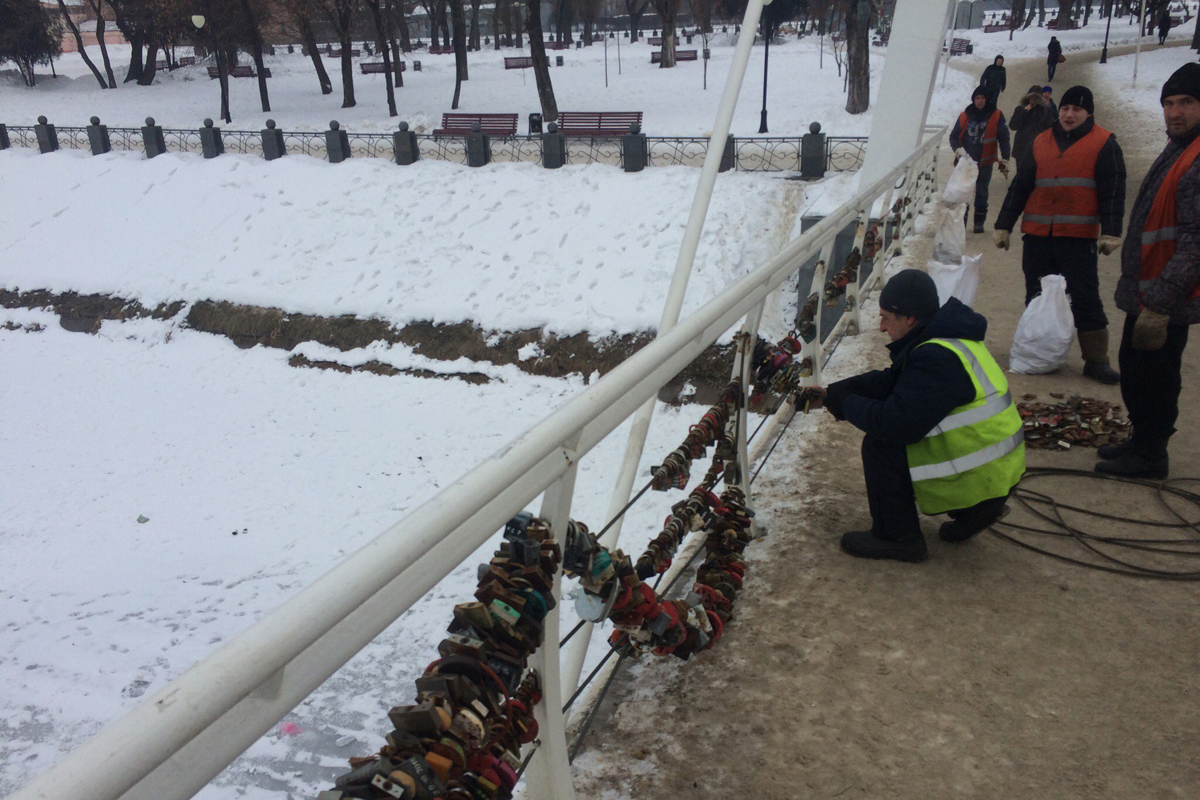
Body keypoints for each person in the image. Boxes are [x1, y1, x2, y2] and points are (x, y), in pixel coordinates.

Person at [808, 270, 1025, 564]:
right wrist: (835, 393)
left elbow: (894, 425)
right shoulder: (947, 339)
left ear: (909, 318)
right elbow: (893, 382)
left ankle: (897, 537)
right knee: (901, 425)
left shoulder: (935, 359)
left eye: (886, 317)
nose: (882, 327)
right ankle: (973, 513)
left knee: (882, 444)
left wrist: (846, 403)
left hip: (981, 475)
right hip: (998, 470)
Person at [1096, 64, 1200, 478]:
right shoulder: (1180, 147)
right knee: (1136, 369)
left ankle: (1151, 455)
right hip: (1150, 290)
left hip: (1164, 296)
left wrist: (1161, 299)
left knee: (1155, 377)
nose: (1174, 112)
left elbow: (1196, 239)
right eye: (1169, 103)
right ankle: (1142, 440)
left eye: (1187, 102)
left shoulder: (1196, 158)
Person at [994, 85, 1127, 384]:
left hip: (1078, 237)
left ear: (1088, 113)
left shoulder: (1105, 143)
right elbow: (1021, 186)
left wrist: (1111, 232)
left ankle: (1096, 360)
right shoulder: (1041, 141)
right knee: (1037, 295)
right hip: (1038, 235)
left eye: (1076, 110)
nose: (1069, 114)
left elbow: (1113, 192)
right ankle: (1039, 351)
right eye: (1066, 108)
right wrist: (1004, 225)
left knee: (1085, 297)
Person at [950, 85, 1012, 233]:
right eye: (977, 98)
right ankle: (962, 223)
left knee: (982, 191)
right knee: (965, 193)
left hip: (985, 162)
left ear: (987, 99)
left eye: (982, 98)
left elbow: (1004, 137)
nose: (980, 101)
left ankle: (979, 222)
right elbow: (954, 136)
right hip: (967, 162)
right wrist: (958, 150)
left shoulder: (996, 115)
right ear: (973, 100)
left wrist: (1005, 158)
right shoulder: (965, 115)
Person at [1010, 84, 1055, 169]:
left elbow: (1050, 128)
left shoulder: (1046, 112)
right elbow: (1013, 126)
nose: (1033, 101)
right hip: (1021, 147)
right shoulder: (1020, 109)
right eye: (1031, 98)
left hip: (1037, 148)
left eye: (1036, 98)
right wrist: (1024, 112)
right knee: (1020, 173)